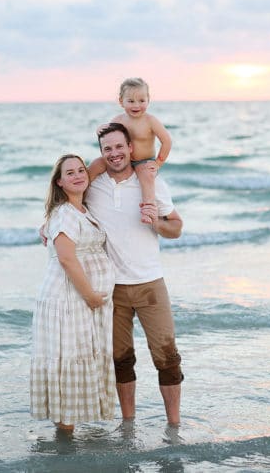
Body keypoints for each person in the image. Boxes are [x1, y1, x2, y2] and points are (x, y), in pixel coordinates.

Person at [86, 122, 184, 426]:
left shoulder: (151, 183)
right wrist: (46, 223)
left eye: (119, 146)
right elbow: (66, 201)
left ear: (131, 148)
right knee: (121, 360)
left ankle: (174, 426)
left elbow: (176, 228)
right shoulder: (93, 185)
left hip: (151, 284)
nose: (114, 153)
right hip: (111, 288)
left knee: (167, 358)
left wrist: (156, 222)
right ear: (102, 154)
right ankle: (128, 424)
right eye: (107, 149)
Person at [30, 154, 116, 432]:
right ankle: (64, 446)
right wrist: (90, 295)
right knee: (68, 360)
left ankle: (66, 443)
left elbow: (102, 161)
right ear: (60, 182)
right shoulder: (65, 213)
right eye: (70, 173)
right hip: (68, 298)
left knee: (74, 361)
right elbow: (67, 258)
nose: (78, 175)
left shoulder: (81, 209)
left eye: (81, 170)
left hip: (79, 299)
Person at [87, 78, 172, 224]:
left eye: (141, 100)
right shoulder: (119, 120)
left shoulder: (150, 121)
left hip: (144, 161)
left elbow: (167, 141)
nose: (136, 105)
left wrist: (158, 163)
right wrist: (99, 129)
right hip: (123, 160)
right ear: (121, 101)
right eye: (131, 101)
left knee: (146, 176)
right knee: (98, 163)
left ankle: (148, 210)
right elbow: (106, 134)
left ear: (148, 100)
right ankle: (79, 192)